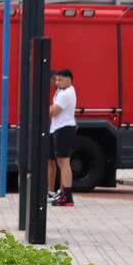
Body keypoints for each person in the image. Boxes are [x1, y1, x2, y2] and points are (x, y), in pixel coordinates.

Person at [49, 69, 78, 207]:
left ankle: (67, 196)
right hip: (58, 128)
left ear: (69, 80)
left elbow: (54, 112)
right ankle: (62, 192)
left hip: (65, 129)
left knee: (64, 162)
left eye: (60, 80)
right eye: (56, 79)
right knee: (61, 162)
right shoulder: (61, 91)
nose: (57, 82)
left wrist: (42, 108)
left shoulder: (67, 93)